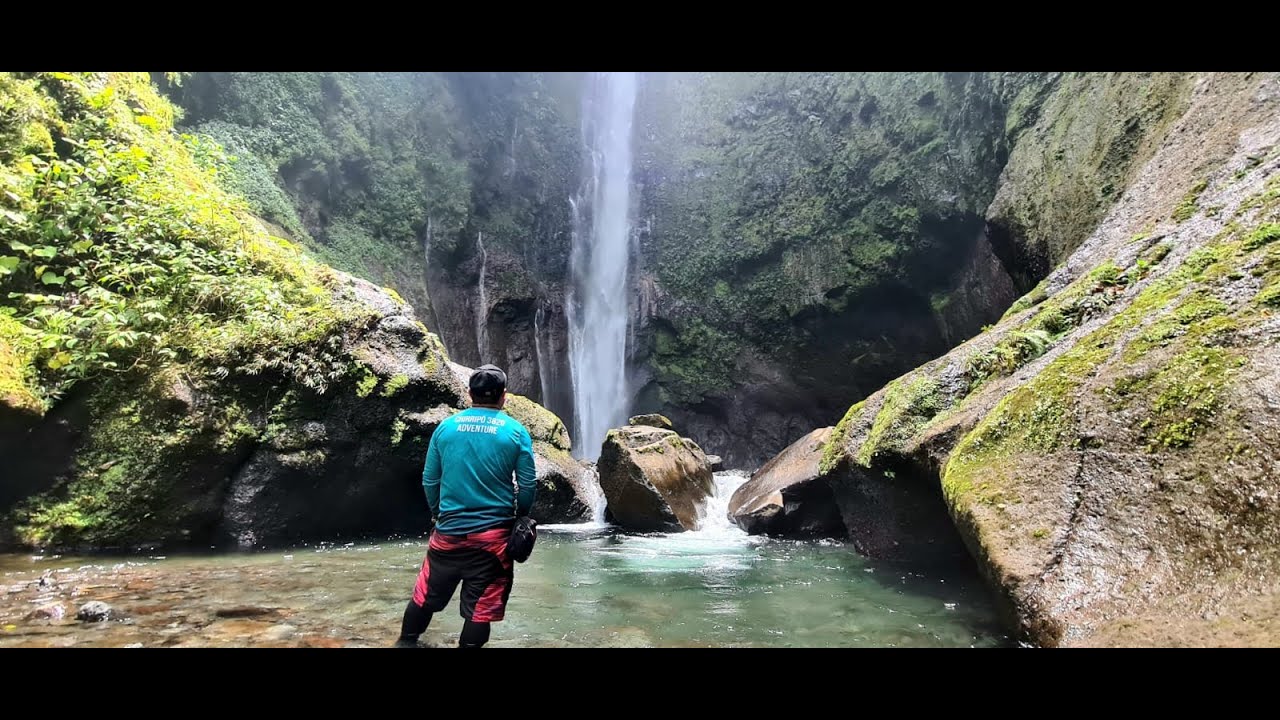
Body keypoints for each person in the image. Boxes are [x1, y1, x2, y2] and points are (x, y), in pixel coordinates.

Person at [395, 364, 537, 648]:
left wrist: (438, 513)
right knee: (480, 609)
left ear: (469, 393)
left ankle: (406, 642)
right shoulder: (515, 431)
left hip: (448, 535)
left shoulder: (445, 428)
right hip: (491, 541)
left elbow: (430, 479)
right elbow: (528, 483)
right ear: (503, 396)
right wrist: (521, 517)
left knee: (425, 596)